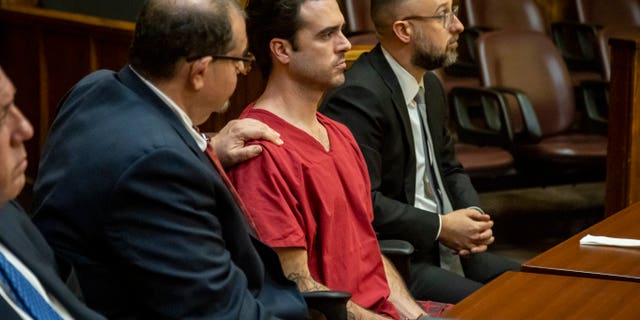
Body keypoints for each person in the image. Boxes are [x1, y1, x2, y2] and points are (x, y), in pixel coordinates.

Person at [31, 0, 308, 318]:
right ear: (200, 71)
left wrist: (207, 146)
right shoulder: (157, 170)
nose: (243, 69)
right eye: (239, 59)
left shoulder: (96, 88)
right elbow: (219, 312)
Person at [229, 0, 450, 318]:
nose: (345, 44)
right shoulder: (261, 152)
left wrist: (416, 316)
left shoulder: (340, 134)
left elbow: (369, 255)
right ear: (282, 50)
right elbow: (301, 290)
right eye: (327, 34)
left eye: (343, 30)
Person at [319, 0, 521, 304]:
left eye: (454, 12)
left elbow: (450, 168)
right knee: (502, 306)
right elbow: (363, 203)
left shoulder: (432, 84)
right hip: (402, 258)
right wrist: (441, 227)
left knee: (539, 283)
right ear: (404, 30)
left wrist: (474, 219)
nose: (458, 25)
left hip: (448, 248)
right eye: (443, 15)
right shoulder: (358, 95)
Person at [0, 66, 105, 319]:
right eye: (2, 115)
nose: (25, 128)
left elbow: (71, 304)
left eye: (13, 104)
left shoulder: (7, 209)